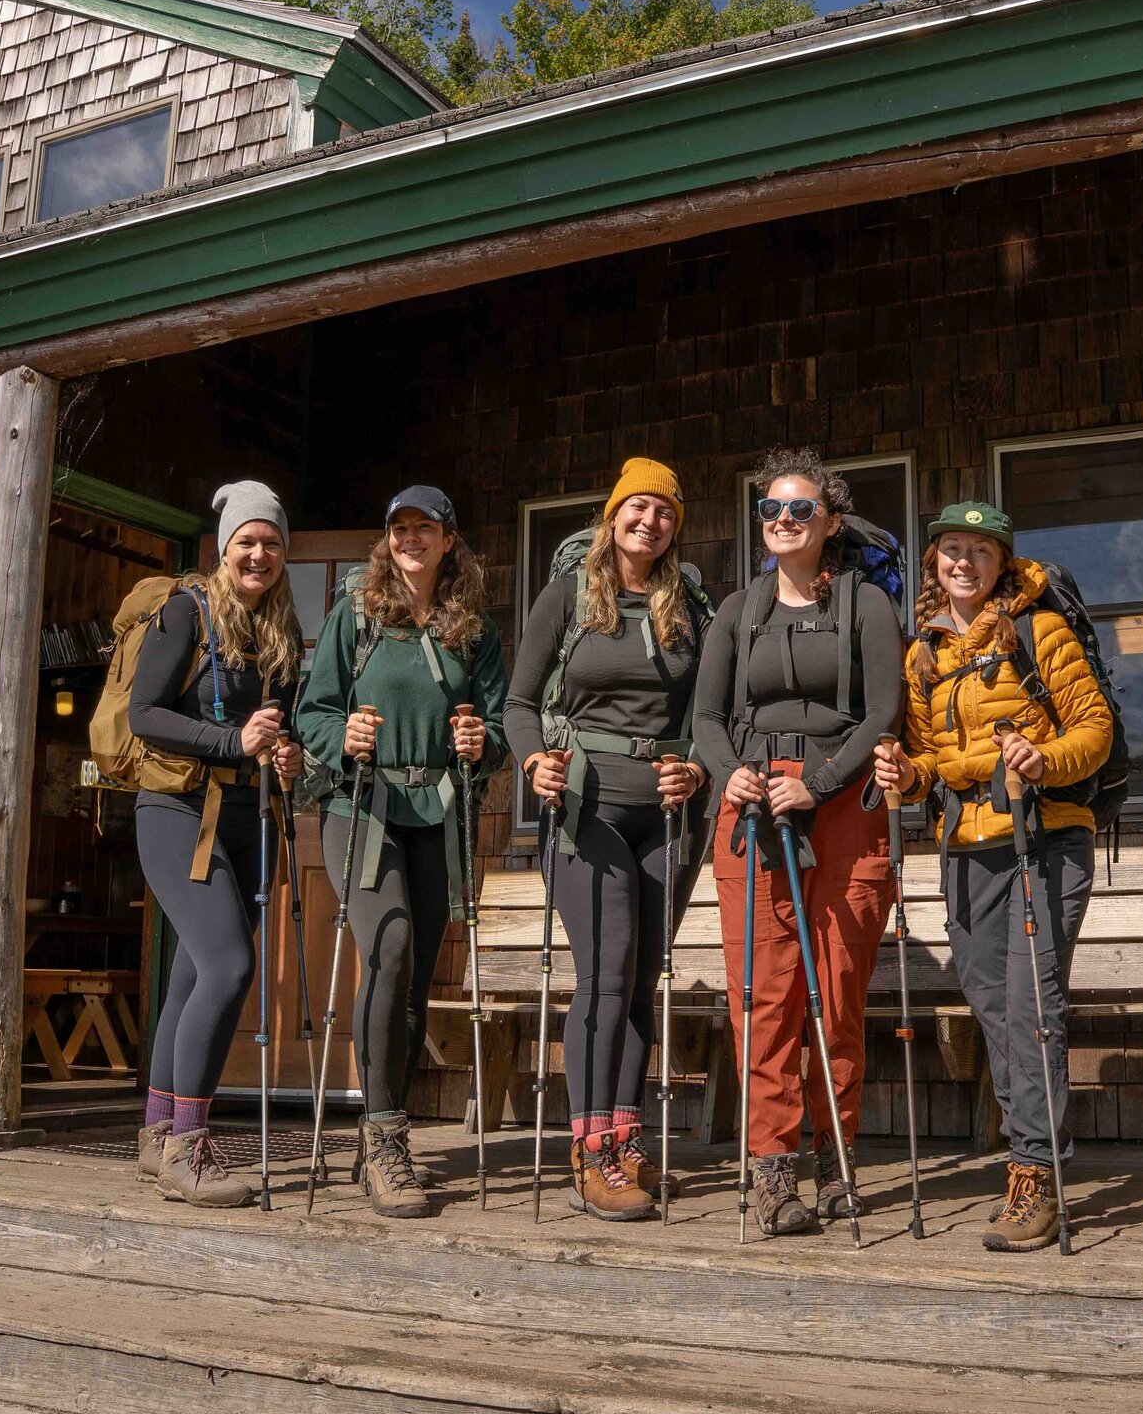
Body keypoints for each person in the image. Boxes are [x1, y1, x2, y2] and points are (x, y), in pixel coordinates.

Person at [874, 502, 1112, 1251]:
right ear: (936, 563)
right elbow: (920, 766)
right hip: (965, 845)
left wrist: (1046, 760)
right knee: (991, 1004)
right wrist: (903, 774)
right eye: (951, 550)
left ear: (1000, 562)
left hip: (1042, 836)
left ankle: (1034, 1173)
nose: (964, 563)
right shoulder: (924, 653)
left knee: (1031, 1006)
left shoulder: (1040, 630)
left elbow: (1095, 730)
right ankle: (1026, 1158)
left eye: (980, 550)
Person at [694, 447, 903, 1237]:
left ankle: (835, 1158)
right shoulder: (737, 610)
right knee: (764, 995)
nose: (783, 521)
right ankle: (771, 1172)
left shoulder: (865, 606)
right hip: (751, 811)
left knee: (837, 993)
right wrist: (732, 775)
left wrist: (816, 783)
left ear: (830, 522)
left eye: (799, 510)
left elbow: (882, 709)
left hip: (843, 806)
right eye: (771, 510)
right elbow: (708, 719)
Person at [505, 458, 713, 1221]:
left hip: (665, 815)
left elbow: (710, 714)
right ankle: (589, 1150)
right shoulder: (566, 596)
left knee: (639, 978)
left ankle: (625, 1140)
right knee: (607, 969)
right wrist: (535, 761)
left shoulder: (689, 606)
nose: (650, 521)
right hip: (585, 809)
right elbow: (519, 702)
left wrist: (693, 767)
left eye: (665, 511)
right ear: (611, 515)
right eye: (637, 507)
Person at [296, 485, 507, 1220]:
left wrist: (484, 745)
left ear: (450, 539)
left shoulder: (472, 629)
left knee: (414, 974)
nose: (410, 538)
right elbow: (312, 710)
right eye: (399, 528)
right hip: (362, 804)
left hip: (435, 809)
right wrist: (341, 737)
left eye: (424, 527)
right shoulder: (356, 613)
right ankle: (384, 1137)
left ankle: (385, 1130)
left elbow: (500, 724)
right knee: (386, 946)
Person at [133, 481, 303, 1208]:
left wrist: (287, 754)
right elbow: (145, 713)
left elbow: (280, 728)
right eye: (246, 542)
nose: (258, 554)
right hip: (175, 810)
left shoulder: (283, 631)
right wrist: (233, 741)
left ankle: (157, 1132)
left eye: (270, 542)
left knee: (191, 976)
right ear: (223, 548)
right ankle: (189, 1149)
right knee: (230, 967)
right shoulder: (185, 611)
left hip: (247, 816)